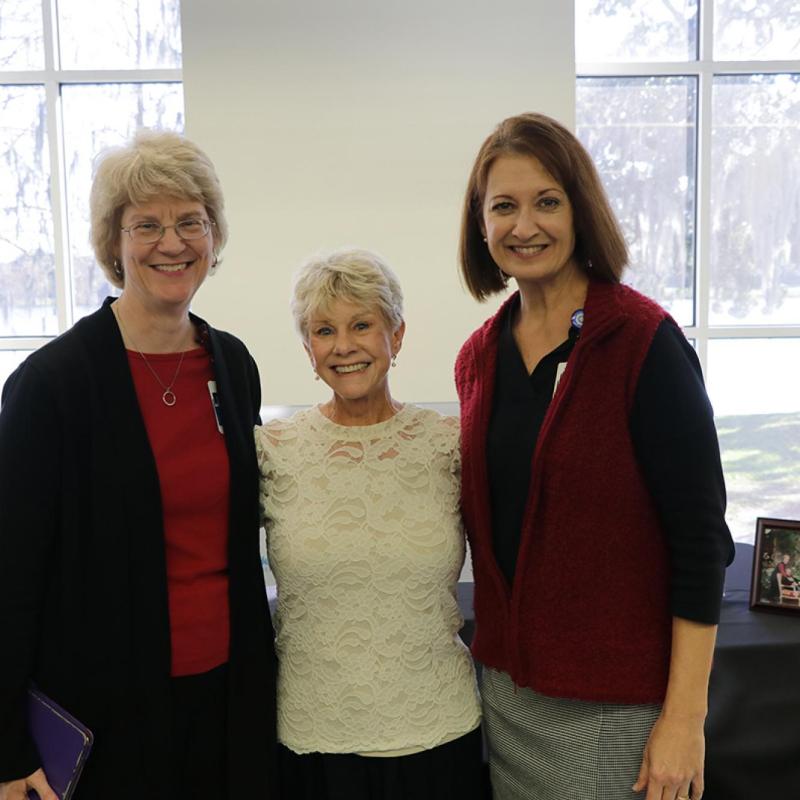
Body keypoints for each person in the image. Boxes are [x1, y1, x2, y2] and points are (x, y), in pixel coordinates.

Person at [454, 113, 735, 800]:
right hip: (507, 699)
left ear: (581, 210)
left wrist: (684, 720)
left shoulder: (645, 345)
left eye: (547, 201)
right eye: (504, 207)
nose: (525, 226)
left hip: (618, 709)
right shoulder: (479, 358)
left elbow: (701, 543)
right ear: (481, 225)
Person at [0, 130, 276, 800]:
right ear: (114, 243)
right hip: (105, 716)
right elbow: (10, 572)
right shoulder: (51, 384)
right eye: (145, 224)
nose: (171, 242)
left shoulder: (232, 365)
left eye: (190, 222)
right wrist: (7, 749)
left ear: (213, 235)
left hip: (229, 702)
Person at [254, 248, 484, 800]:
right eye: (323, 330)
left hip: (439, 735)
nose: (344, 346)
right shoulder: (272, 451)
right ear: (307, 349)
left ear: (396, 336)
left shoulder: (449, 443)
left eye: (362, 325)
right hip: (313, 743)